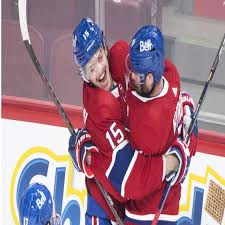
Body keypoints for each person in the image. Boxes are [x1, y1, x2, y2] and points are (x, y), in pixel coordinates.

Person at [69, 18, 197, 225]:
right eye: (91, 69)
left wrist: (183, 106)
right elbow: (129, 180)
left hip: (137, 200)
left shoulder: (122, 57)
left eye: (100, 57)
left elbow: (158, 73)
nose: (100, 70)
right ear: (83, 74)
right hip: (107, 201)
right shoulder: (99, 111)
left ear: (104, 47)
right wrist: (175, 160)